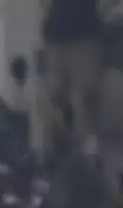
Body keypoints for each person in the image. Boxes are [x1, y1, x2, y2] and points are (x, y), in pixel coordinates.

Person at [41, 0, 104, 159]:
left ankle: (82, 146)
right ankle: (67, 144)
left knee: (82, 94)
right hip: (65, 32)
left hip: (81, 32)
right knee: (59, 94)